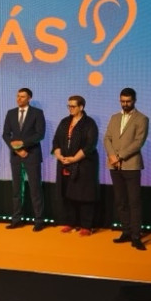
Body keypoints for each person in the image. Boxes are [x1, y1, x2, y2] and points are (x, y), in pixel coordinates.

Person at [103, 87, 149, 251]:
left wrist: (120, 156)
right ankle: (126, 231)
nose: (125, 104)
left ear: (134, 100)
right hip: (114, 165)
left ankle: (136, 236)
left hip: (131, 165)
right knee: (120, 201)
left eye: (128, 101)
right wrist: (111, 156)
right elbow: (107, 138)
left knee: (134, 202)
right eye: (122, 101)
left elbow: (138, 142)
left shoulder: (142, 119)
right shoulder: (114, 117)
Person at [51, 95, 100, 236]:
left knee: (85, 195)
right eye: (69, 106)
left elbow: (90, 145)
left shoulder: (89, 123)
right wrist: (59, 155)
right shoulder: (64, 122)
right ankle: (70, 222)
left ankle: (86, 225)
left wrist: (74, 159)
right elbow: (56, 141)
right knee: (67, 194)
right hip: (65, 163)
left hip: (84, 164)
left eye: (73, 106)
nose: (70, 109)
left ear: (81, 107)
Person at [2, 87, 46, 231]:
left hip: (32, 155)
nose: (19, 99)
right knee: (16, 189)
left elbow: (40, 134)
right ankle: (17, 219)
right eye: (17, 96)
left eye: (22, 96)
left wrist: (22, 145)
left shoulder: (37, 113)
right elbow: (6, 134)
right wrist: (16, 149)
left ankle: (39, 220)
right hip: (16, 156)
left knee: (35, 189)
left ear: (29, 98)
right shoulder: (11, 113)